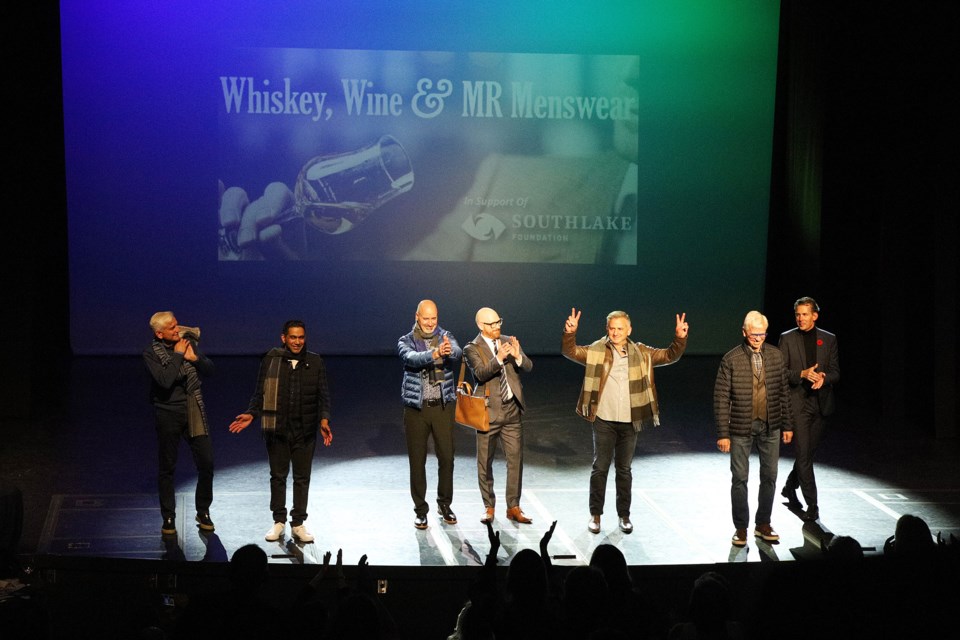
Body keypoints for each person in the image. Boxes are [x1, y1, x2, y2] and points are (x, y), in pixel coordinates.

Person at [562, 309, 688, 534]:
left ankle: (624, 515)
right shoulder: (597, 350)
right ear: (607, 329)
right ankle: (596, 515)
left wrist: (680, 338)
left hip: (630, 422)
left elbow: (670, 356)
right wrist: (569, 333)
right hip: (603, 419)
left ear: (629, 330)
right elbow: (570, 351)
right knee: (599, 468)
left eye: (620, 328)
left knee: (624, 470)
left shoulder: (642, 352)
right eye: (612, 328)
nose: (615, 332)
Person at [228, 320, 332, 543]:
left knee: (302, 478)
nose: (297, 342)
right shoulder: (271, 359)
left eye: (301, 337)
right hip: (278, 430)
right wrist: (251, 413)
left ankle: (298, 523)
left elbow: (323, 395)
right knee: (278, 477)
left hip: (304, 431)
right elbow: (260, 392)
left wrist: (324, 420)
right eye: (293, 337)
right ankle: (279, 521)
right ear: (284, 338)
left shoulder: (315, 361)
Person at [714, 311, 793, 547]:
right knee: (740, 479)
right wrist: (723, 433)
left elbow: (783, 393)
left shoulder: (776, 356)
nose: (758, 338)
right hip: (740, 427)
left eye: (762, 334)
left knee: (769, 477)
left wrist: (787, 424)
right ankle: (740, 528)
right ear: (744, 332)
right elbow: (721, 397)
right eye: (753, 334)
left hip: (771, 426)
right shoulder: (731, 359)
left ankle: (763, 523)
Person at [142, 311, 215, 536]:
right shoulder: (150, 353)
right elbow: (165, 381)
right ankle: (169, 516)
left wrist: (196, 359)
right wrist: (177, 355)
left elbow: (210, 370)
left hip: (193, 408)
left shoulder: (186, 342)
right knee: (168, 468)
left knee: (207, 463)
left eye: (176, 325)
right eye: (172, 327)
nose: (178, 329)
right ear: (159, 333)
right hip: (168, 413)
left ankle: (202, 510)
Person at [463, 307, 534, 524]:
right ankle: (489, 506)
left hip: (512, 410)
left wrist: (518, 356)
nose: (497, 327)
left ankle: (513, 506)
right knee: (485, 462)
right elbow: (481, 374)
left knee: (515, 460)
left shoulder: (507, 341)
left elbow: (529, 366)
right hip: (488, 411)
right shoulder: (472, 348)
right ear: (481, 326)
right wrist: (500, 358)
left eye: (498, 322)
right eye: (492, 324)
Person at [397, 299, 462, 529]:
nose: (430, 323)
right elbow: (411, 359)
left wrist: (447, 350)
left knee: (447, 458)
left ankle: (444, 504)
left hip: (442, 407)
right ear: (417, 316)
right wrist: (434, 354)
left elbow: (456, 352)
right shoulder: (406, 341)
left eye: (434, 318)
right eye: (426, 318)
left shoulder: (446, 335)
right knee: (417, 461)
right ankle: (420, 510)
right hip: (416, 409)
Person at [778, 296, 839, 522]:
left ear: (815, 315)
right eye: (797, 314)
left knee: (807, 454)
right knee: (804, 457)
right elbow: (780, 372)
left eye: (805, 314)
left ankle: (789, 485)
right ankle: (812, 505)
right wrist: (801, 374)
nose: (800, 318)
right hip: (799, 405)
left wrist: (825, 377)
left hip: (821, 405)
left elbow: (836, 372)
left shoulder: (828, 339)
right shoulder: (787, 339)